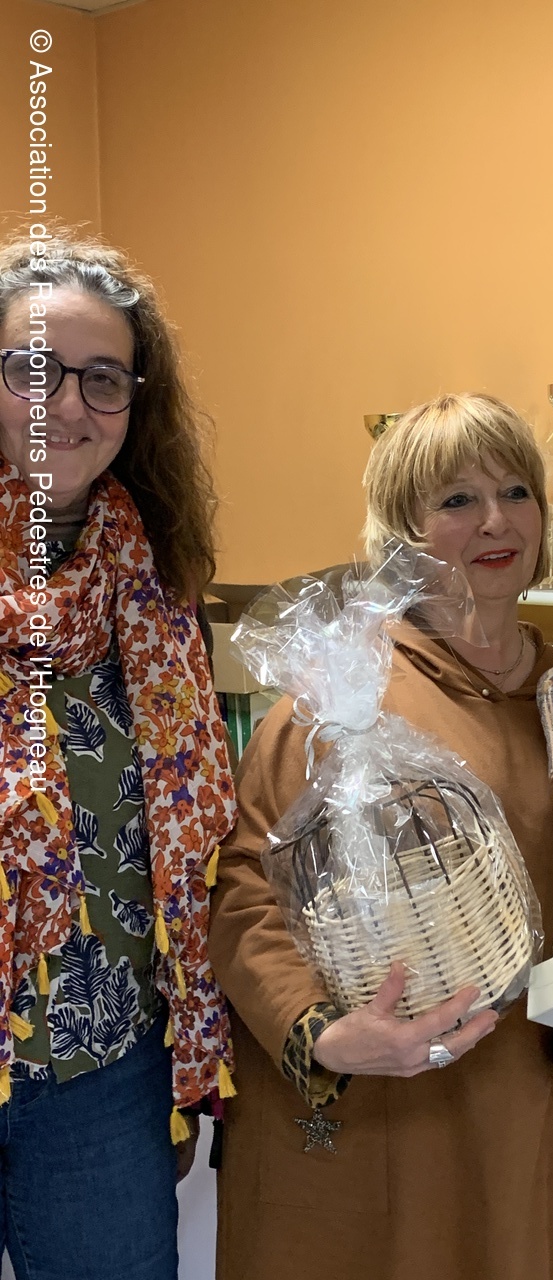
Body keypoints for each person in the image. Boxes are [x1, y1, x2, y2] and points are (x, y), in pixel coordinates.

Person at [209, 392, 553, 1280]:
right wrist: (322, 1034)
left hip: (544, 1098)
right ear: (399, 533)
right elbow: (245, 888)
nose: (496, 521)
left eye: (516, 492)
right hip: (393, 1106)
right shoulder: (341, 701)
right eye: (456, 500)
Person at [0, 231, 235, 1280]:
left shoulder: (160, 586)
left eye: (103, 379)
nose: (66, 404)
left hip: (101, 1070)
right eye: (32, 369)